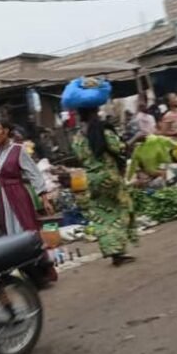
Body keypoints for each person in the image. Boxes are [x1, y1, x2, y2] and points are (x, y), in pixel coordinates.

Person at [72, 108, 136, 265]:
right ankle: (119, 250)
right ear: (94, 114)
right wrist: (133, 140)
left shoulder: (78, 137)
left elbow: (78, 156)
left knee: (102, 216)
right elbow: (119, 147)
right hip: (110, 176)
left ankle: (113, 253)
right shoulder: (103, 131)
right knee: (121, 210)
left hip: (92, 179)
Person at [0, 119, 52, 235]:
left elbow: (34, 174)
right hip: (3, 194)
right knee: (9, 226)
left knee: (25, 224)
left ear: (5, 131)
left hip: (18, 192)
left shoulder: (18, 149)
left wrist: (45, 200)